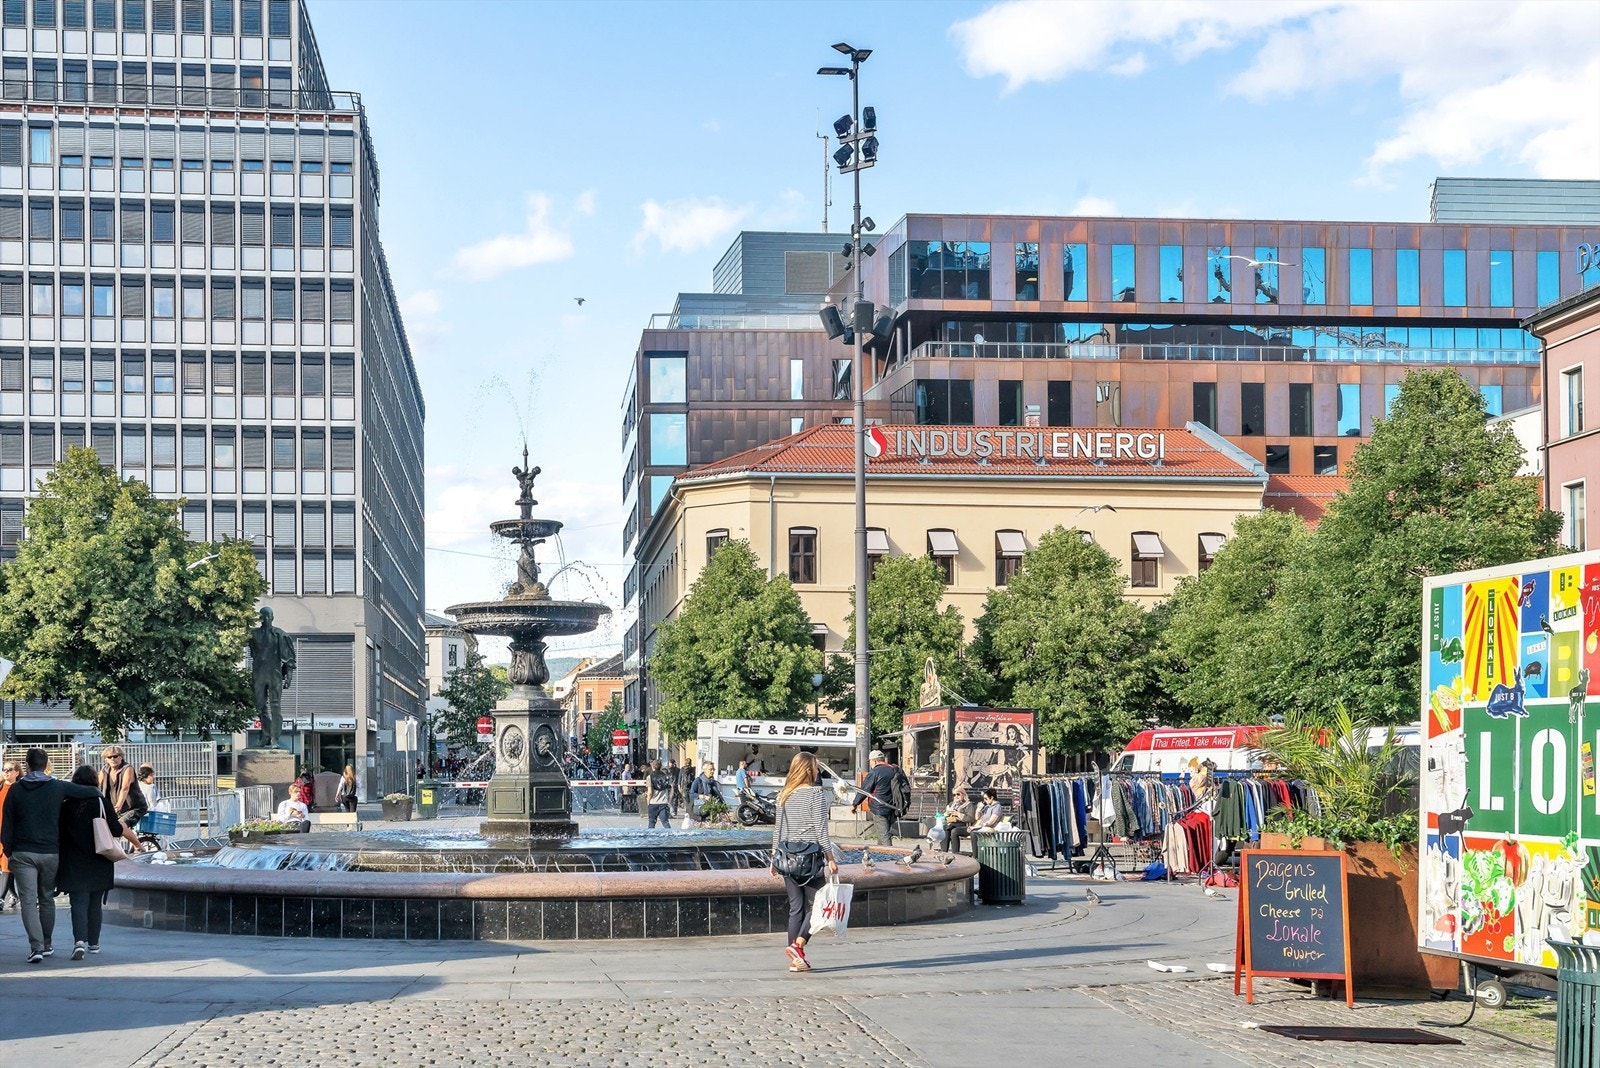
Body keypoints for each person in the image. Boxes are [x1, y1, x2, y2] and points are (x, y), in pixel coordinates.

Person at [1, 748, 112, 963]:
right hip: (50, 852)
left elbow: (7, 823)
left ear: (27, 765)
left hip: (23, 852)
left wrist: (8, 849)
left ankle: (37, 947)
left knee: (28, 901)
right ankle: (48, 943)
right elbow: (88, 792)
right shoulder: (57, 786)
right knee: (46, 898)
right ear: (46, 764)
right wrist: (99, 794)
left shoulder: (15, 790)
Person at [58, 765, 139, 960]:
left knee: (77, 901)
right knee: (95, 903)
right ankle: (94, 943)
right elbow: (116, 829)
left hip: (74, 859)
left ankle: (79, 942)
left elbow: (59, 832)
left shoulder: (66, 804)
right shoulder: (101, 802)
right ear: (95, 781)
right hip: (100, 858)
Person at [769, 752, 839, 973]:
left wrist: (773, 858)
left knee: (795, 909)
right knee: (819, 905)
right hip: (809, 858)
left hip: (787, 857)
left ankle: (796, 960)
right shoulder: (816, 795)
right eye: (816, 767)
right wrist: (831, 858)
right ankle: (798, 946)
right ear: (809, 770)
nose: (817, 771)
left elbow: (777, 830)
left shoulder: (784, 794)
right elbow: (821, 830)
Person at [859, 749, 907, 846]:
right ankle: (880, 856)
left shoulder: (875, 772)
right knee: (882, 834)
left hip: (880, 808)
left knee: (884, 836)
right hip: (894, 807)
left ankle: (890, 856)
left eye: (871, 762)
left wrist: (855, 804)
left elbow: (865, 790)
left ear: (875, 761)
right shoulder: (895, 769)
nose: (870, 764)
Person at [97, 746, 146, 832]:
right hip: (115, 809)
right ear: (106, 759)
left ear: (121, 757)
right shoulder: (104, 770)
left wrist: (118, 807)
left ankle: (138, 845)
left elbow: (125, 788)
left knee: (119, 826)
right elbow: (96, 785)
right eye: (109, 757)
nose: (113, 759)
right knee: (103, 828)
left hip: (134, 808)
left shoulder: (127, 768)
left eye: (115, 756)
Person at [0, 757, 18, 911]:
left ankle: (0, 898)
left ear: (17, 772)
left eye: (9, 769)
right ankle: (13, 894)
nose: (6, 772)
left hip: (10, 832)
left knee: (7, 866)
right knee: (5, 866)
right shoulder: (0, 788)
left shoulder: (19, 789)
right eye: (4, 769)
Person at [942, 787, 973, 855]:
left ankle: (955, 853)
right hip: (952, 823)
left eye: (958, 794)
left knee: (951, 829)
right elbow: (945, 815)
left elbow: (970, 818)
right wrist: (947, 814)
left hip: (964, 824)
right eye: (954, 795)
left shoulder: (968, 805)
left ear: (963, 794)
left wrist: (958, 814)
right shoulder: (951, 804)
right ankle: (944, 853)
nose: (956, 796)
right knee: (946, 829)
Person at [644, 760, 673, 829]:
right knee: (665, 822)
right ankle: (670, 836)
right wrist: (669, 799)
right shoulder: (666, 776)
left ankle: (650, 837)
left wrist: (648, 801)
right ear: (661, 766)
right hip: (663, 802)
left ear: (652, 766)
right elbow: (671, 788)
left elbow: (650, 792)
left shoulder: (650, 777)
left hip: (653, 803)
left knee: (651, 822)